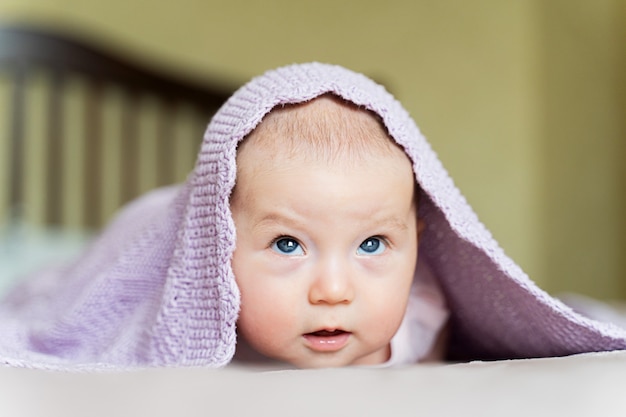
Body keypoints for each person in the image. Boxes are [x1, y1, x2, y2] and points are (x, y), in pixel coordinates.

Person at [0, 62, 624, 370]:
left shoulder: (424, 313)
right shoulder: (185, 315)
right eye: (289, 245)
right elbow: (93, 325)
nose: (333, 290)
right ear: (214, 252)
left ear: (419, 243)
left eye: (374, 244)